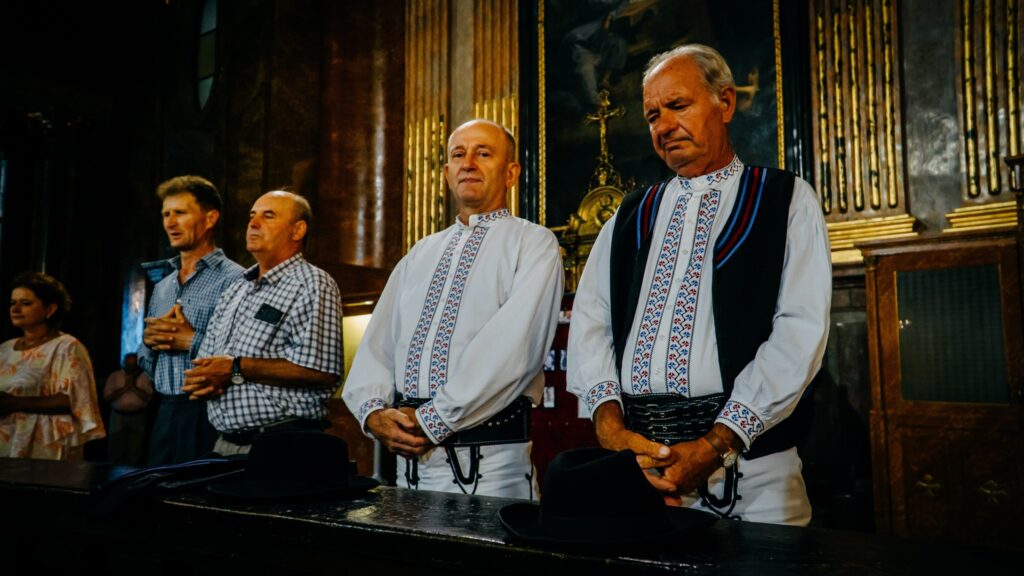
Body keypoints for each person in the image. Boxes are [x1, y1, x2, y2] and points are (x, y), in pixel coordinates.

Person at [566, 44, 831, 525]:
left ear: (724, 103)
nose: (664, 126)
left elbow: (800, 332)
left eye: (677, 105)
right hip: (644, 474)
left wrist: (716, 443)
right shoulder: (630, 215)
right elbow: (591, 322)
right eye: (652, 116)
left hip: (756, 478)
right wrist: (610, 427)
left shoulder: (784, 198)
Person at [342, 119, 563, 499]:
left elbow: (514, 349)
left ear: (511, 173)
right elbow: (377, 345)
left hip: (491, 468)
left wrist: (433, 419)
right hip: (410, 466)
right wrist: (373, 412)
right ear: (446, 173)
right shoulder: (420, 253)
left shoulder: (533, 243)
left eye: (483, 153)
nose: (468, 163)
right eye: (458, 155)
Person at [182, 190, 342, 456]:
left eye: (268, 216)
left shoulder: (312, 283)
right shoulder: (236, 288)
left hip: (283, 444)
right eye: (251, 216)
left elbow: (321, 371)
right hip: (224, 444)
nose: (253, 224)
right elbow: (210, 362)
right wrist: (204, 380)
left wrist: (235, 367)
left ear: (298, 230)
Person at [138, 175, 245, 465]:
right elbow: (146, 359)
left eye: (180, 213)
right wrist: (150, 342)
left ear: (210, 219)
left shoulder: (236, 279)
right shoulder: (163, 286)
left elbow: (244, 356)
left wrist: (190, 340)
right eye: (166, 214)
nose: (170, 223)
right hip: (163, 411)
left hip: (209, 412)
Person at [0, 272, 105, 460]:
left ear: (50, 309)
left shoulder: (66, 347)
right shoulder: (5, 349)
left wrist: (14, 403)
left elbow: (76, 401)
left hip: (45, 445)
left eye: (26, 303)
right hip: (6, 441)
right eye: (12, 303)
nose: (15, 309)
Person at [103, 353, 154, 466]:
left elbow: (149, 398)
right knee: (116, 448)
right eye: (128, 365)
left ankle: (131, 473)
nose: (131, 368)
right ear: (123, 363)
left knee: (135, 450)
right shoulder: (115, 376)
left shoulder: (144, 377)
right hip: (118, 417)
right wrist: (125, 388)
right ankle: (115, 473)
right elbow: (107, 397)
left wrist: (134, 387)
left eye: (133, 365)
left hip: (138, 417)